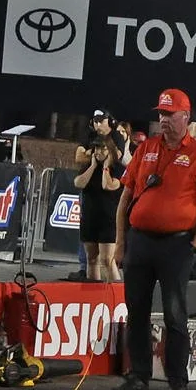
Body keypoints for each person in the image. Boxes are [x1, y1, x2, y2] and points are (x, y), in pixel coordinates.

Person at [111, 88, 196, 390]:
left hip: (176, 245)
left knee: (175, 316)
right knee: (137, 313)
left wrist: (194, 244)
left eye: (169, 114)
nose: (163, 120)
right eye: (160, 113)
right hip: (141, 242)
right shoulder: (145, 148)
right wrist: (121, 242)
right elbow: (125, 199)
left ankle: (177, 383)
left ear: (185, 117)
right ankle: (138, 378)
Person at [74, 110, 126, 282]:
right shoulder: (90, 164)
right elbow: (78, 183)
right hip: (90, 215)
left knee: (107, 260)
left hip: (108, 217)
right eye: (96, 147)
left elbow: (108, 185)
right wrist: (93, 165)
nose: (98, 151)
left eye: (102, 148)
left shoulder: (117, 168)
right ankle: (92, 293)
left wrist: (105, 167)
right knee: (92, 259)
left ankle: (116, 296)